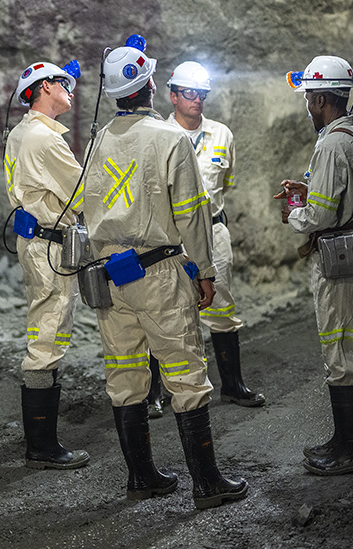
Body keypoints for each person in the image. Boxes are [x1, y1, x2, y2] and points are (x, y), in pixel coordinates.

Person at [81, 35, 248, 510]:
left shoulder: (96, 143)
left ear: (115, 92)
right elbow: (193, 214)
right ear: (150, 85)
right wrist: (204, 270)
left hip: (110, 276)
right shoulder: (171, 139)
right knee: (185, 374)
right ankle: (207, 482)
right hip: (157, 271)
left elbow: (85, 210)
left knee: (126, 376)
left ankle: (142, 477)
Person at [276, 56, 353, 476]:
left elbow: (320, 216)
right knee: (348, 346)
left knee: (343, 351)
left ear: (321, 98)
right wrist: (312, 188)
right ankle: (344, 441)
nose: (306, 106)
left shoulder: (332, 142)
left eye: (308, 98)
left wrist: (294, 214)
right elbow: (352, 195)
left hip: (340, 257)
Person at [142, 61, 263, 418]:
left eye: (203, 93)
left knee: (222, 307)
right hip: (170, 239)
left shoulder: (221, 134)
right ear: (173, 95)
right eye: (190, 93)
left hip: (212, 231)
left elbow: (225, 183)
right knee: (164, 310)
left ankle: (233, 384)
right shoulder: (156, 134)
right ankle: (155, 392)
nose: (198, 99)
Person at [4, 60, 89, 470]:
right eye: (63, 83)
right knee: (48, 337)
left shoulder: (23, 133)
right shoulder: (45, 140)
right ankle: (42, 446)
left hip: (36, 242)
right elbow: (85, 194)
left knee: (45, 331)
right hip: (50, 249)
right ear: (43, 88)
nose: (69, 89)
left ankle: (42, 441)